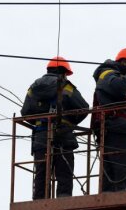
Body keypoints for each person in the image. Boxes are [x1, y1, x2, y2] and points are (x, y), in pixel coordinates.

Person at [21, 56, 89, 199]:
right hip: (63, 134)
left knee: (41, 170)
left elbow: (25, 112)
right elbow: (83, 108)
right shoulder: (65, 86)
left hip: (40, 136)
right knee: (64, 170)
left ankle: (39, 200)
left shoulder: (33, 88)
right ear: (63, 72)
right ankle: (63, 198)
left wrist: (41, 122)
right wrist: (70, 122)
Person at [92, 48, 126, 192]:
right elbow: (118, 87)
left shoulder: (122, 79)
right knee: (120, 162)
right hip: (114, 127)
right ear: (123, 62)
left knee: (123, 164)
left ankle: (115, 192)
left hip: (120, 128)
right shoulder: (107, 74)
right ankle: (121, 192)